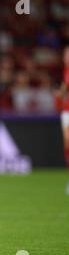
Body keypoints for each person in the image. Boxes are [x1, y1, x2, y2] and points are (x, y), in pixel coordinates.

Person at [54, 46, 69, 194]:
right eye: (66, 54)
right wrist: (60, 93)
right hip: (66, 110)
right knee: (67, 143)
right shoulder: (65, 72)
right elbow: (63, 93)